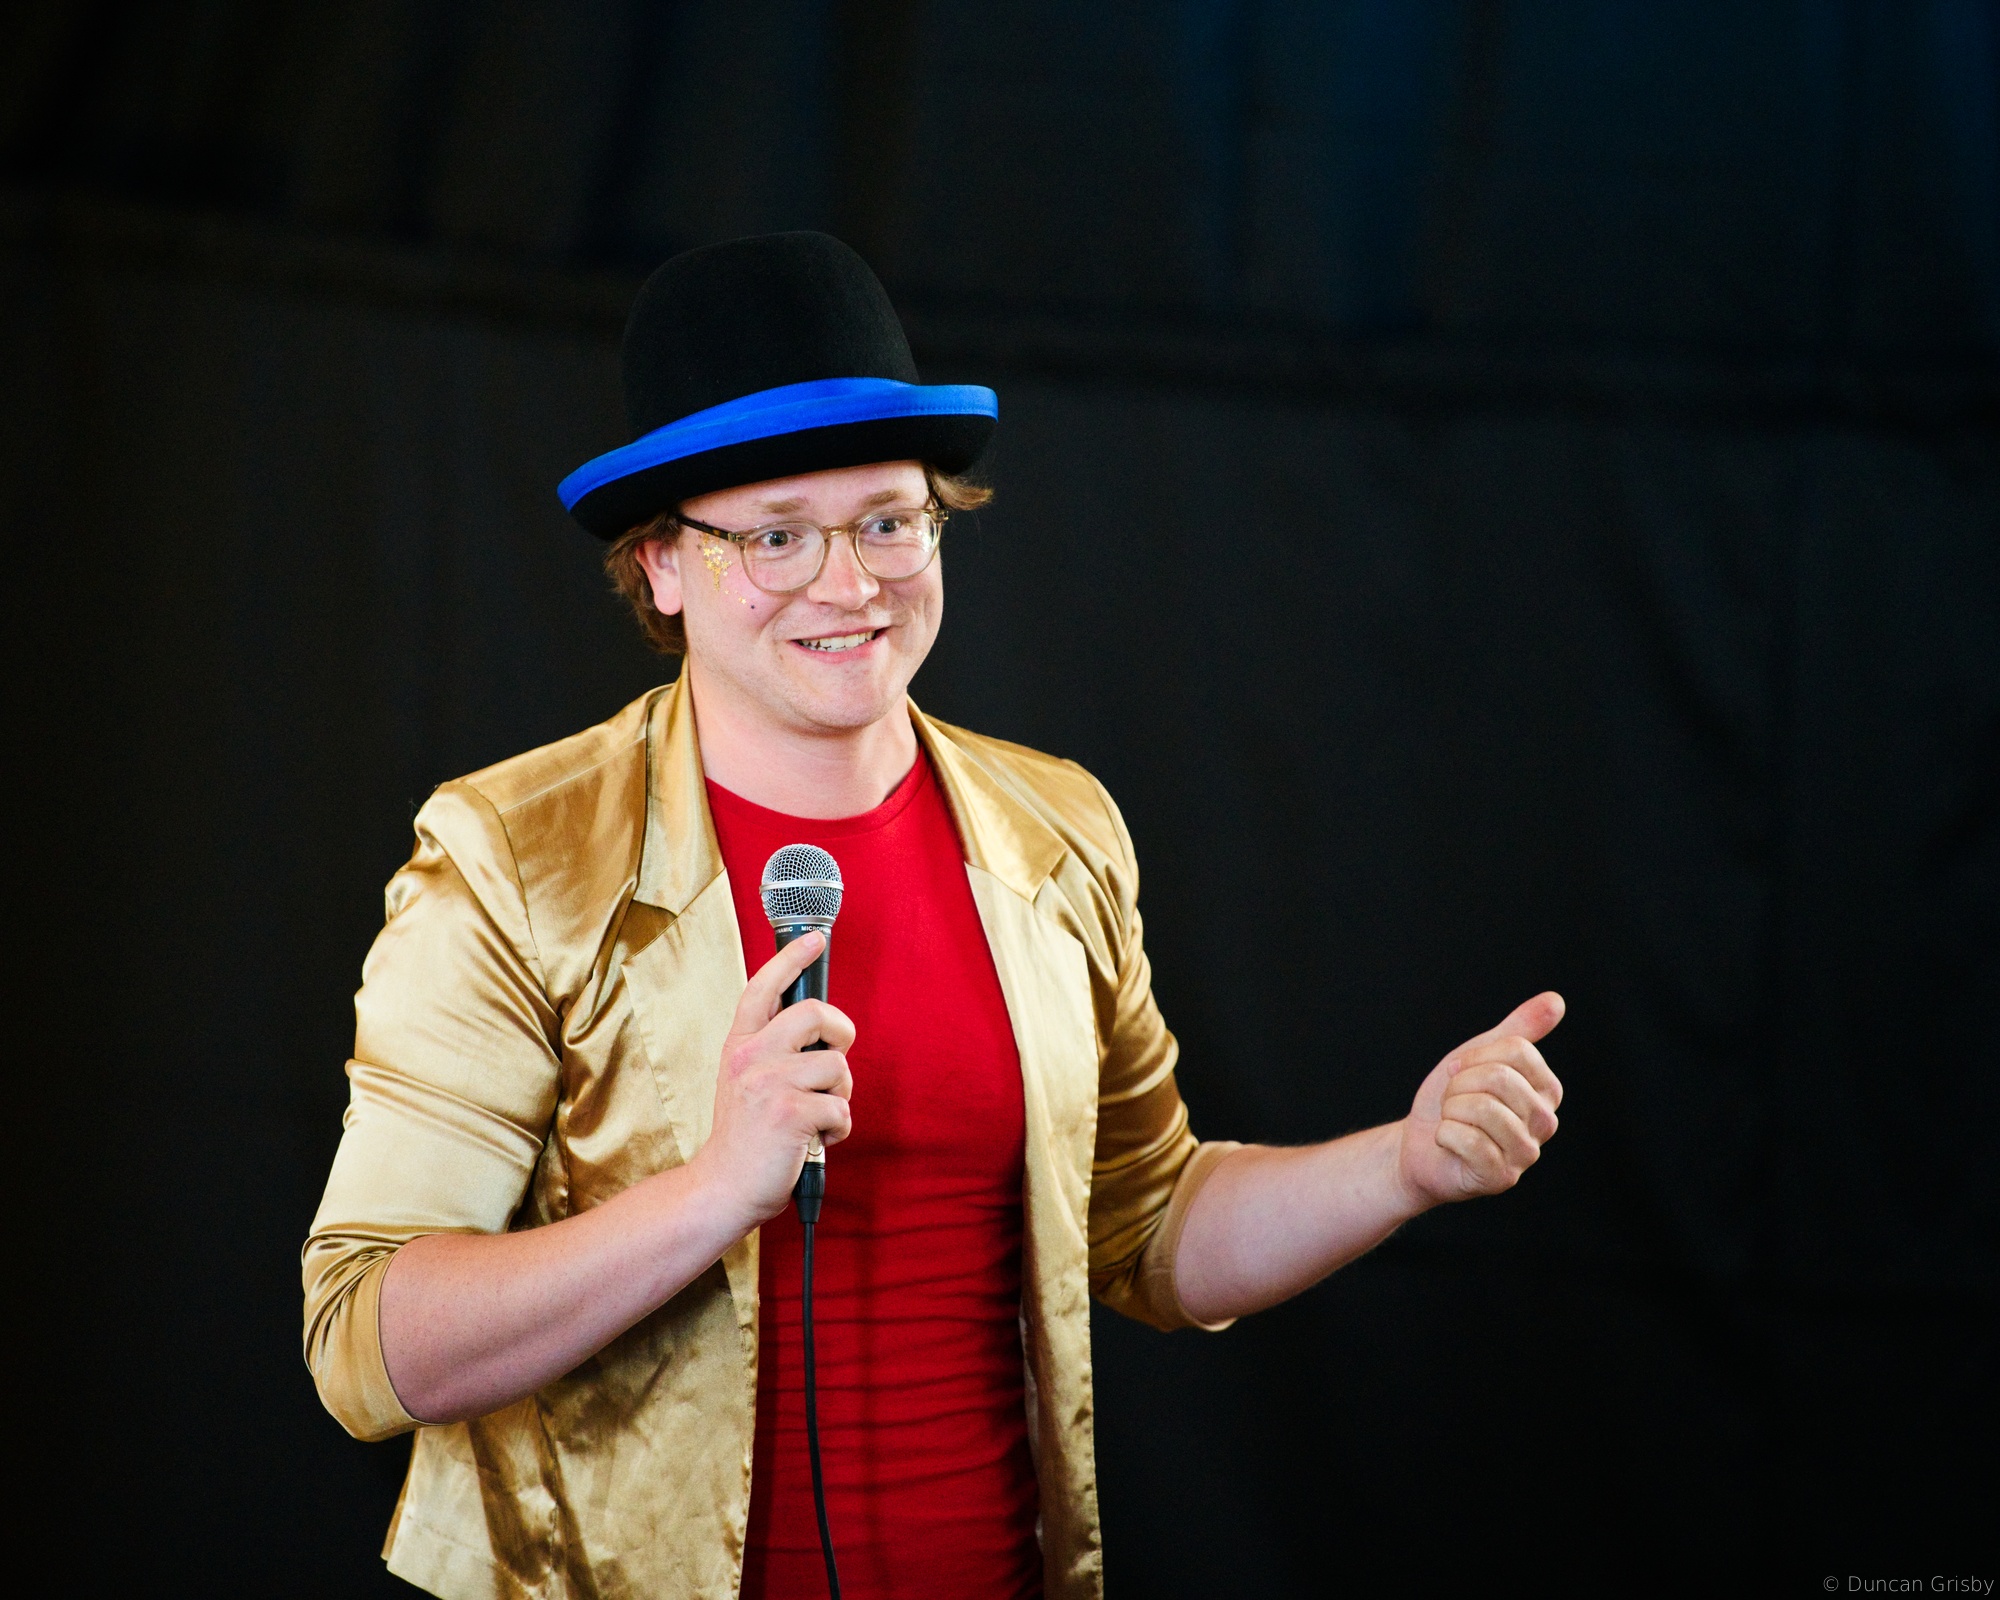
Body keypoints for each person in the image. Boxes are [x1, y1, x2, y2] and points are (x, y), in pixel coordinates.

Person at [302, 232, 1564, 1600]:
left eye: (890, 521)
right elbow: (369, 1345)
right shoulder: (513, 856)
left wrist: (1405, 1165)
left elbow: (1151, 1229)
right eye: (777, 534)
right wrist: (713, 1193)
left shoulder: (1054, 831)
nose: (851, 585)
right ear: (660, 563)